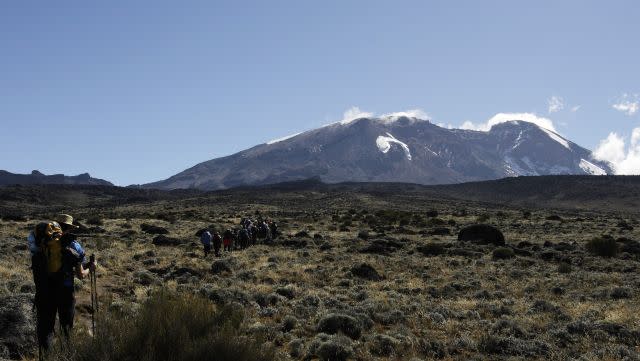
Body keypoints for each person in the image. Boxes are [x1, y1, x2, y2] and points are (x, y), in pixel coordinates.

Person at [29, 214, 95, 353]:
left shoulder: (41, 243)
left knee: (45, 331)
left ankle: (46, 357)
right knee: (66, 329)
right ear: (69, 228)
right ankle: (66, 355)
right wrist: (91, 267)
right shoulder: (72, 244)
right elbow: (81, 274)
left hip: (44, 292)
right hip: (65, 292)